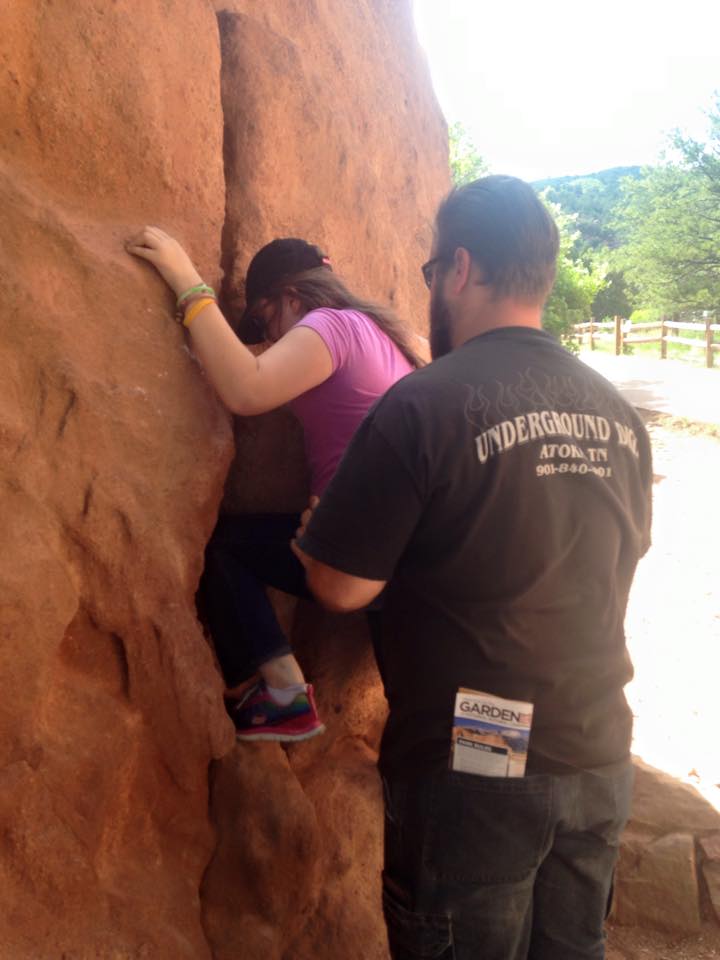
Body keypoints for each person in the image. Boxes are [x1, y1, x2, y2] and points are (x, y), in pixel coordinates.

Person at [291, 176, 653, 959]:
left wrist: (331, 536)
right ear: (546, 276)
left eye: (432, 274)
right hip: (598, 752)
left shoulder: (425, 404)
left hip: (475, 771)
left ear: (459, 269)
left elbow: (340, 585)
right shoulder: (618, 415)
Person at [125, 228, 420, 742]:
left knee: (227, 549)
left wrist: (187, 280)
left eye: (266, 321)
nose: (272, 339)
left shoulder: (331, 325)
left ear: (292, 296)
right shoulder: (385, 335)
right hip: (410, 559)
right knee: (423, 732)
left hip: (367, 553)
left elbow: (246, 385)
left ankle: (280, 694)